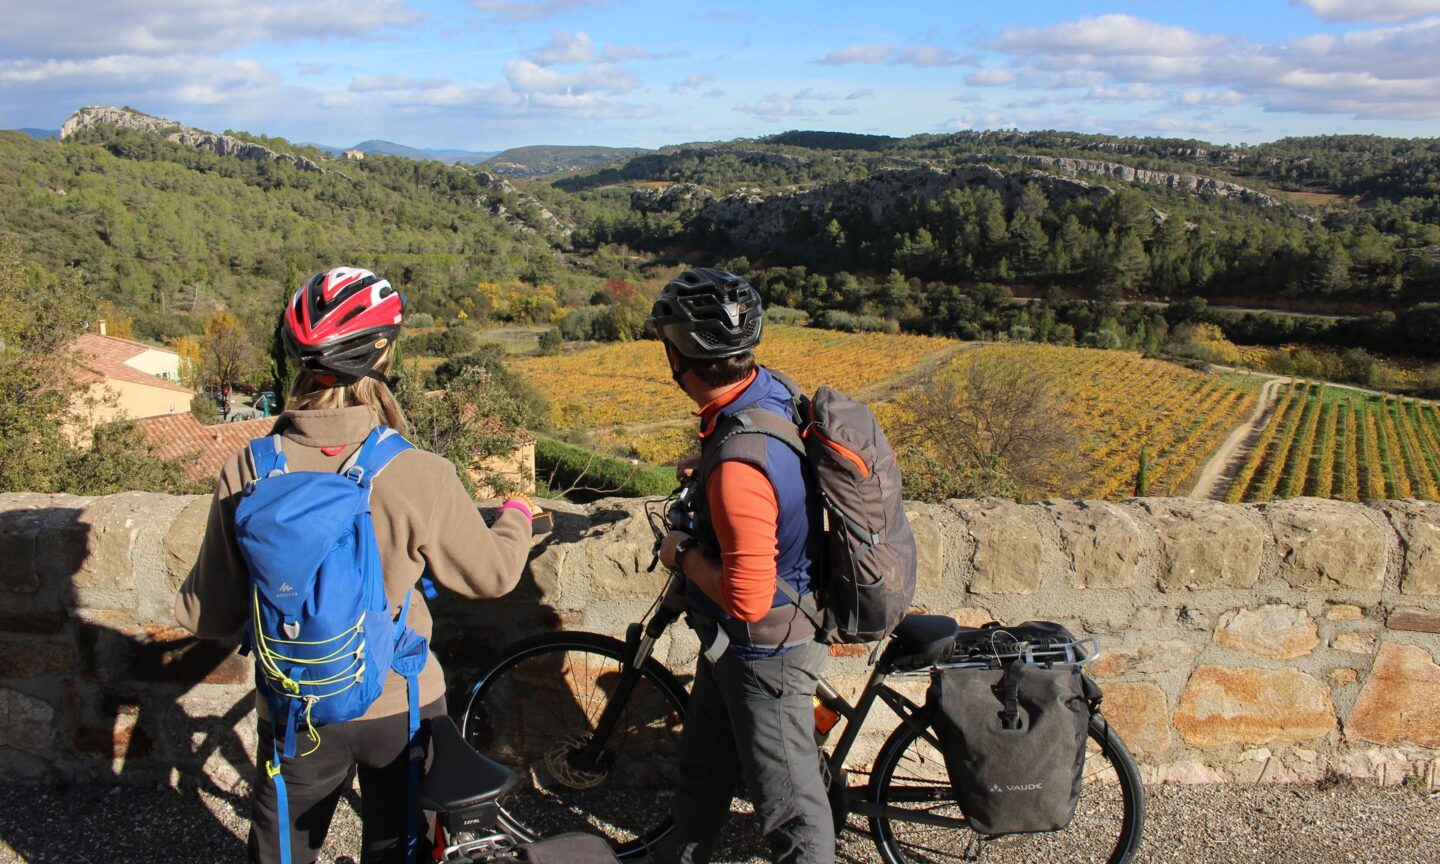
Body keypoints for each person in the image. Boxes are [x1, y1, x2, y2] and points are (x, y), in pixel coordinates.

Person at [175, 267, 541, 864]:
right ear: (385, 353)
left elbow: (206, 614)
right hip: (401, 705)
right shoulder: (417, 471)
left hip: (296, 709)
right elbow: (493, 574)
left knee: (282, 849)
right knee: (401, 846)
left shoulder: (249, 467)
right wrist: (517, 515)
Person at [649, 268, 833, 864]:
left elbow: (748, 598)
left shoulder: (738, 465)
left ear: (678, 357)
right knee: (703, 773)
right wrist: (707, 465)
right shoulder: (766, 388)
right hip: (731, 646)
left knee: (792, 814)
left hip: (766, 652)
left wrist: (681, 553)